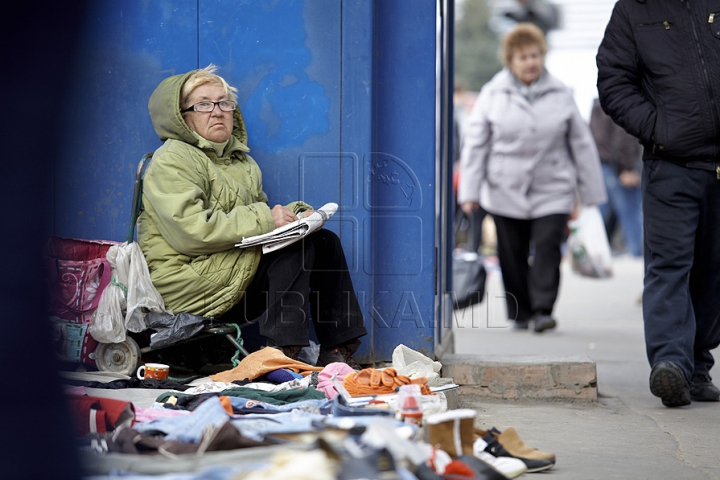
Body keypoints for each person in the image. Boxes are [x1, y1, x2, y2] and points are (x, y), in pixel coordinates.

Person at [138, 65, 367, 368]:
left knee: (323, 241)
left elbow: (260, 225)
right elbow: (190, 231)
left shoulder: (241, 162)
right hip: (187, 280)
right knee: (294, 250)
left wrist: (297, 217)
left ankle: (337, 352)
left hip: (228, 269)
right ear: (183, 116)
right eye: (204, 104)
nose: (217, 112)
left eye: (224, 103)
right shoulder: (173, 158)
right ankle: (282, 357)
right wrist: (268, 220)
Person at [597, 1, 720, 407]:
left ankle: (697, 367)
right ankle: (670, 363)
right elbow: (613, 80)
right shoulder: (633, 9)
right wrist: (657, 129)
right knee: (669, 265)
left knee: (712, 269)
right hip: (671, 165)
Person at [458, 23, 606, 333]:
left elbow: (581, 143)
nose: (531, 63)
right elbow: (476, 144)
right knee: (511, 254)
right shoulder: (492, 94)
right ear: (510, 60)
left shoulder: (560, 93)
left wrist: (591, 192)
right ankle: (520, 312)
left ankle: (542, 309)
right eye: (523, 57)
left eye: (536, 55)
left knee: (549, 247)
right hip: (504, 187)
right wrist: (469, 192)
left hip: (553, 186)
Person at [589, 98, 643, 257]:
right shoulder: (618, 103)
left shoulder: (597, 106)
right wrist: (626, 168)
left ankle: (595, 255)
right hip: (616, 167)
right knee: (631, 213)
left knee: (600, 215)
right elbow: (623, 136)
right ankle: (638, 255)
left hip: (600, 165)